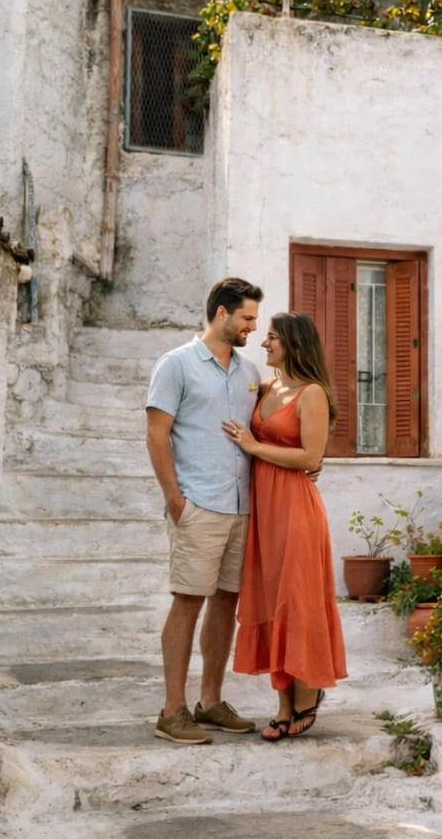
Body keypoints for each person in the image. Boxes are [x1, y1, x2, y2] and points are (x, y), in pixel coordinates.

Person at [145, 277, 264, 745]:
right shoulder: (175, 365)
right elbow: (157, 434)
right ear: (221, 314)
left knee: (226, 602)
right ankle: (172, 710)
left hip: (242, 507)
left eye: (254, 319)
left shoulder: (249, 369)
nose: (252, 327)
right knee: (188, 601)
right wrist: (175, 499)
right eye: (247, 318)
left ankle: (210, 702)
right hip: (199, 503)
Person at [224, 311, 348, 741]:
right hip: (265, 511)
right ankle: (281, 705)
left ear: (293, 342)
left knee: (298, 600)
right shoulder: (268, 386)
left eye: (272, 337)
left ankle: (307, 697)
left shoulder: (311, 393)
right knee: (271, 600)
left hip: (295, 509)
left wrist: (254, 446)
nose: (264, 343)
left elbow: (311, 458)